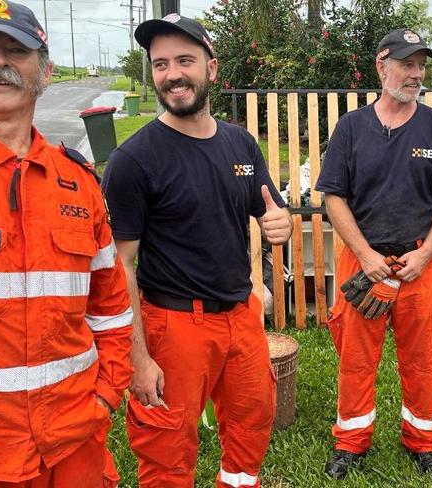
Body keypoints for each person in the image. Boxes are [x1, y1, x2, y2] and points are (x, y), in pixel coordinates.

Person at [101, 14, 293, 488]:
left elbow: (272, 209)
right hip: (174, 325)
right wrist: (138, 359)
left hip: (241, 316)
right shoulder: (134, 160)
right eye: (160, 63)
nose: (172, 74)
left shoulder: (240, 142)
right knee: (167, 448)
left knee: (251, 424)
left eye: (184, 60)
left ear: (211, 68)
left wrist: (280, 223)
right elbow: (120, 265)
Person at [0, 2, 134, 487]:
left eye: (17, 50)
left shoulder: (76, 180)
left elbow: (110, 307)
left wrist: (106, 394)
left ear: (46, 71)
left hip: (74, 438)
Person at [315, 28, 432, 478]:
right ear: (382, 65)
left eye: (420, 65)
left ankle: (423, 442)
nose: (415, 73)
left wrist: (426, 258)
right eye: (406, 64)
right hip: (365, 263)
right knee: (356, 360)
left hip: (420, 261)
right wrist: (364, 255)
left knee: (422, 359)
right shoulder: (351, 127)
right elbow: (333, 197)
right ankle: (351, 443)